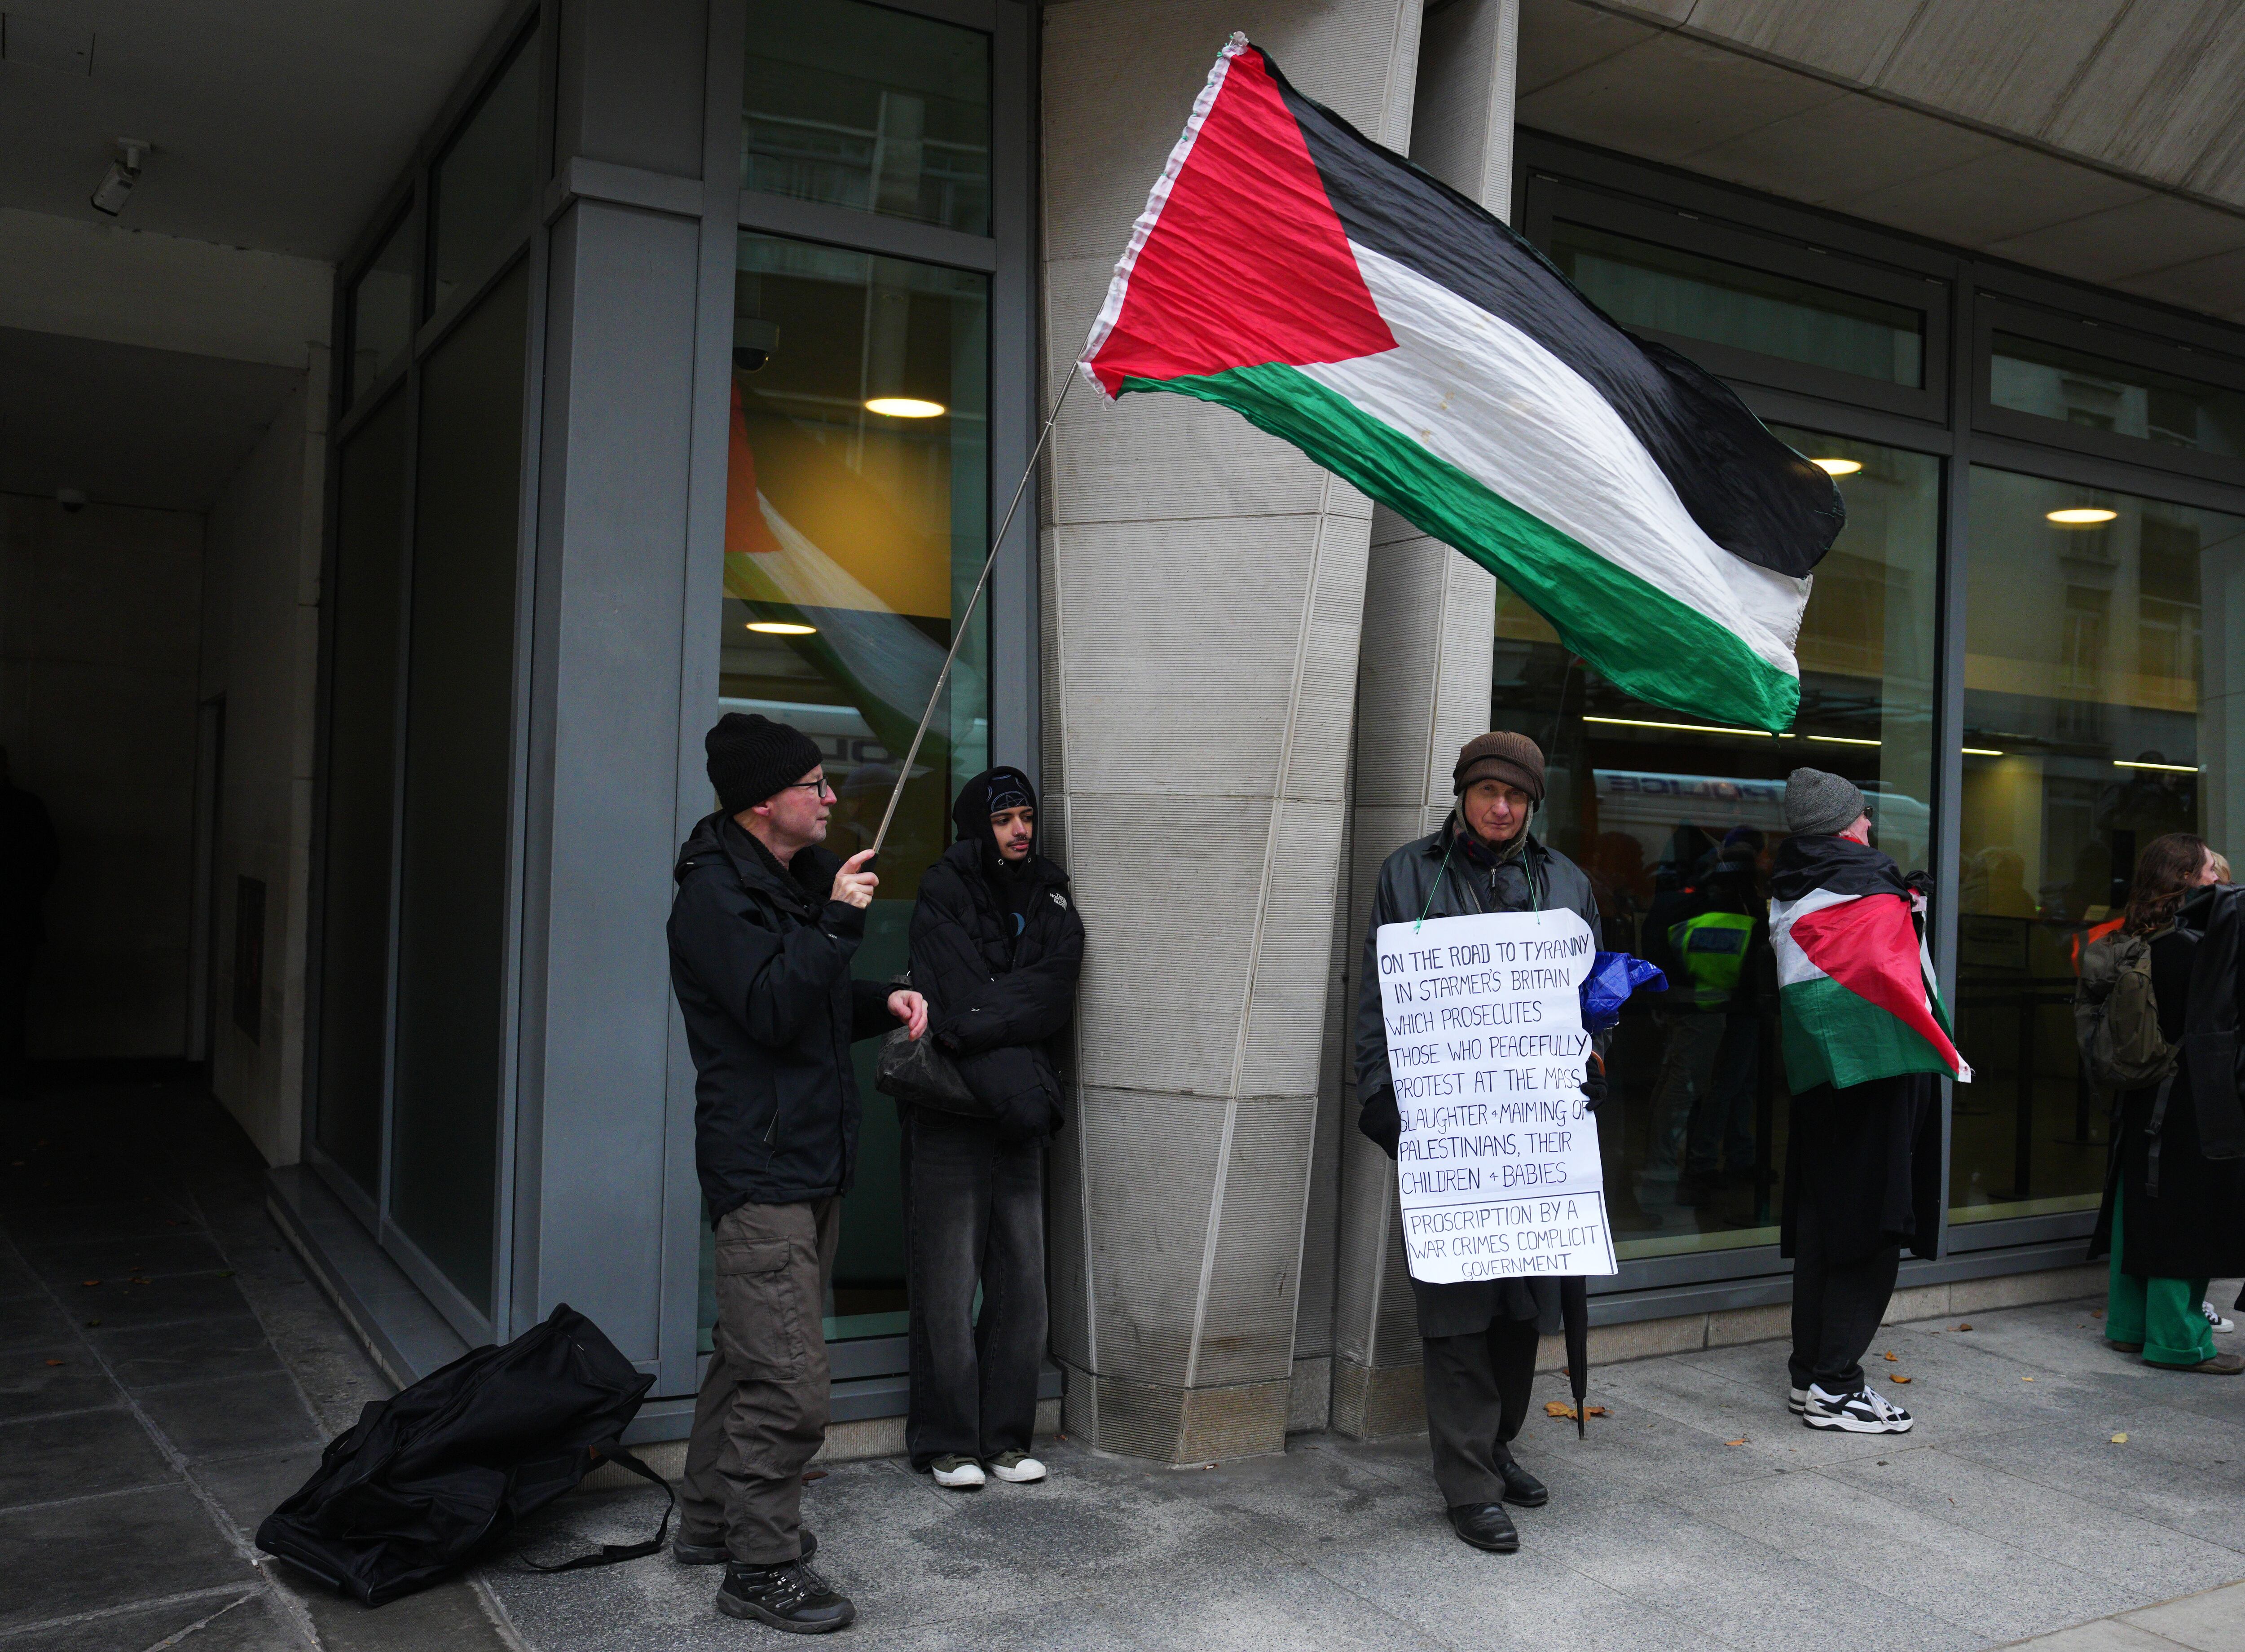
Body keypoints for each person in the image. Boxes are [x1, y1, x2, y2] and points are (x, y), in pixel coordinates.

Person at [667, 713, 929, 1634]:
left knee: (750, 1354)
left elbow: (808, 996)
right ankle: (761, 1565)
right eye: (813, 784)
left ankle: (708, 1522)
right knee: (788, 1380)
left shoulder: (782, 880)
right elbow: (774, 1008)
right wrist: (842, 919)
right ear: (762, 801)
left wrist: (876, 1000)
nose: (829, 797)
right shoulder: (712, 895)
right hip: (764, 1165)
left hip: (811, 1156)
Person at [1354, 731, 1605, 1555]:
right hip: (1447, 1132)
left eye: (1517, 796)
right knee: (1456, 1305)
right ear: (1462, 792)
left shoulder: (1565, 879)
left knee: (1520, 1306)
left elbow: (1590, 1000)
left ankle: (1496, 1443)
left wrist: (1595, 1063)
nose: (1501, 807)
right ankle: (1467, 1481)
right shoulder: (1408, 873)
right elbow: (1377, 999)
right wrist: (1379, 1095)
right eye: (1488, 791)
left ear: (1534, 804)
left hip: (1533, 1133)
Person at [902, 766, 1084, 1490]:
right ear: (979, 823)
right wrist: (993, 1011)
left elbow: (1052, 991)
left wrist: (985, 1015)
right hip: (951, 1111)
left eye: (1027, 815)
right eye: (1006, 816)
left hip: (1018, 1112)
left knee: (1022, 1282)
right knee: (947, 1283)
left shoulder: (1051, 891)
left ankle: (1006, 1438)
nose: (1020, 828)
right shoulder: (943, 888)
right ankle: (949, 1441)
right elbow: (952, 998)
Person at [1771, 770, 1956, 1434]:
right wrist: (1903, 904)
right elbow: (1890, 975)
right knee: (1873, 1224)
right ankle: (1836, 1384)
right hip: (1876, 1072)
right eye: (1862, 816)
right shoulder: (1864, 880)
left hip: (1822, 1075)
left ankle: (1809, 1371)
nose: (1870, 826)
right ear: (1843, 823)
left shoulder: (1792, 883)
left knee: (1826, 1224)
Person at [2086, 833, 2245, 1374]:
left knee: (2138, 1203)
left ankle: (2129, 1327)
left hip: (2139, 1092)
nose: (2218, 880)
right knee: (2187, 1211)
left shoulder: (2131, 937)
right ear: (2186, 878)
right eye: (2207, 871)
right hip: (2190, 1095)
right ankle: (2178, 1340)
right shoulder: (2197, 946)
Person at [0, 749, 58, 1097]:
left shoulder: (27, 808)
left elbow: (47, 862)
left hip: (16, 923)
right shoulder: (27, 807)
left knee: (11, 1006)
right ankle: (10, 1081)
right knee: (11, 1006)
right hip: (17, 923)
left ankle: (10, 1079)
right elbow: (48, 861)